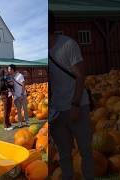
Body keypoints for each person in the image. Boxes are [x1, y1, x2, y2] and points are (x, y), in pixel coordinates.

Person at [49, 11, 94, 180]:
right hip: (56, 113)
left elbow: (81, 75)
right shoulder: (42, 54)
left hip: (77, 107)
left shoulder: (68, 45)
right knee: (64, 154)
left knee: (85, 151)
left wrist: (75, 104)